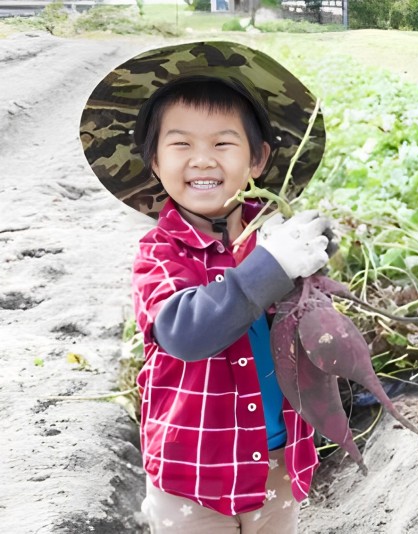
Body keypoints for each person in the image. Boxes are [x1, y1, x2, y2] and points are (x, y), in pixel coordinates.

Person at [80, 41, 332, 533]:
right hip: (192, 473)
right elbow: (185, 332)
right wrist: (272, 266)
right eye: (180, 145)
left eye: (222, 144)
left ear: (258, 159)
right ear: (154, 161)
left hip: (278, 459)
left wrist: (315, 257)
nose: (202, 160)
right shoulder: (160, 252)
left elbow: (310, 324)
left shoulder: (274, 235)